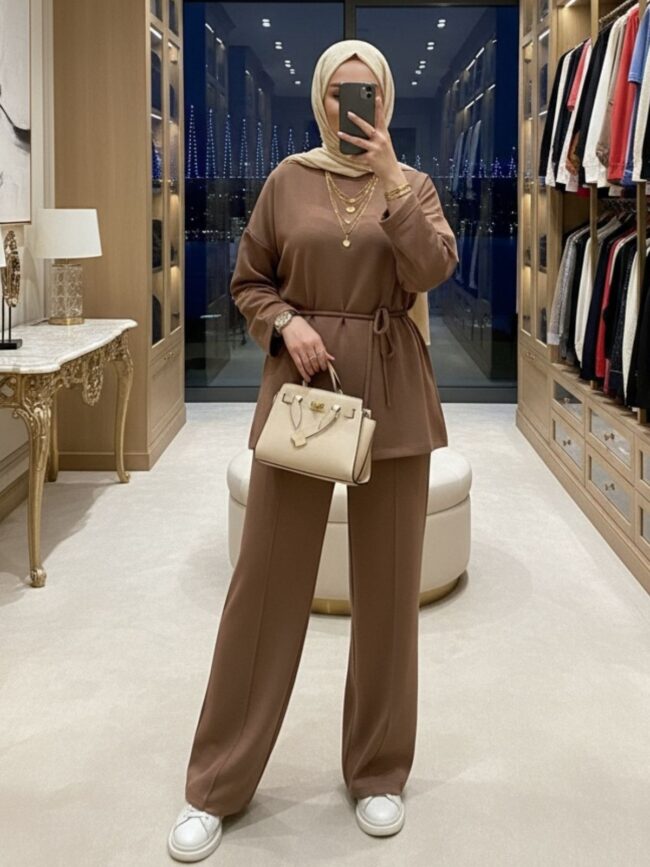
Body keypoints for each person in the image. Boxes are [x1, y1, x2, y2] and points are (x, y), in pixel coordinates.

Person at [167, 38, 458, 863]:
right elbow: (248, 281)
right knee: (263, 587)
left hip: (393, 394)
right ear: (321, 98)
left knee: (388, 592)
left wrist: (393, 176)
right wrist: (285, 322)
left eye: (367, 92)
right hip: (302, 393)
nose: (351, 106)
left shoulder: (414, 183)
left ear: (385, 100)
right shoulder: (286, 180)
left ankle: (378, 770)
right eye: (338, 91)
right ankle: (216, 781)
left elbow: (433, 268)